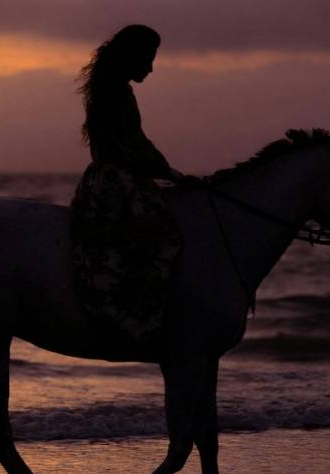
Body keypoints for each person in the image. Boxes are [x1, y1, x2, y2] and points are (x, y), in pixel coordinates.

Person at [71, 24, 189, 343]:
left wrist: (165, 170)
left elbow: (135, 143)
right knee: (164, 235)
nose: (151, 68)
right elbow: (131, 144)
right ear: (133, 56)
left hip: (116, 176)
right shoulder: (115, 91)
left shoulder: (115, 88)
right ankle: (138, 316)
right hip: (115, 182)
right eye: (148, 58)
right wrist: (168, 172)